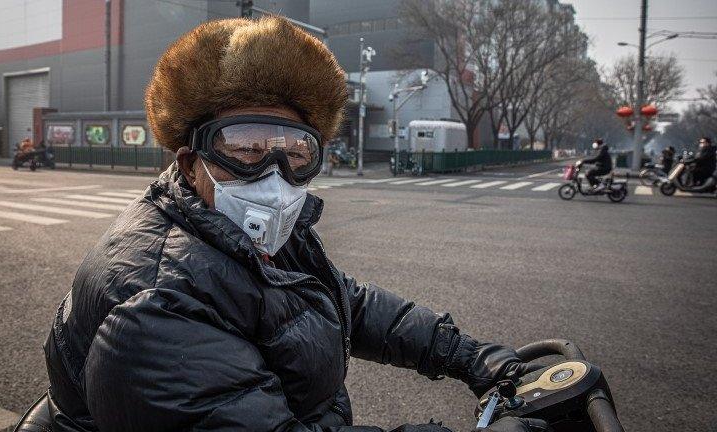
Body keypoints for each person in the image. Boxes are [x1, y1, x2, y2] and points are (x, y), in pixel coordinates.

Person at [43, 17, 544, 432]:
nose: (273, 177)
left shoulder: (236, 234)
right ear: (190, 160)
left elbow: (344, 300)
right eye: (245, 148)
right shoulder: (153, 305)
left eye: (296, 153)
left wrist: (469, 355)